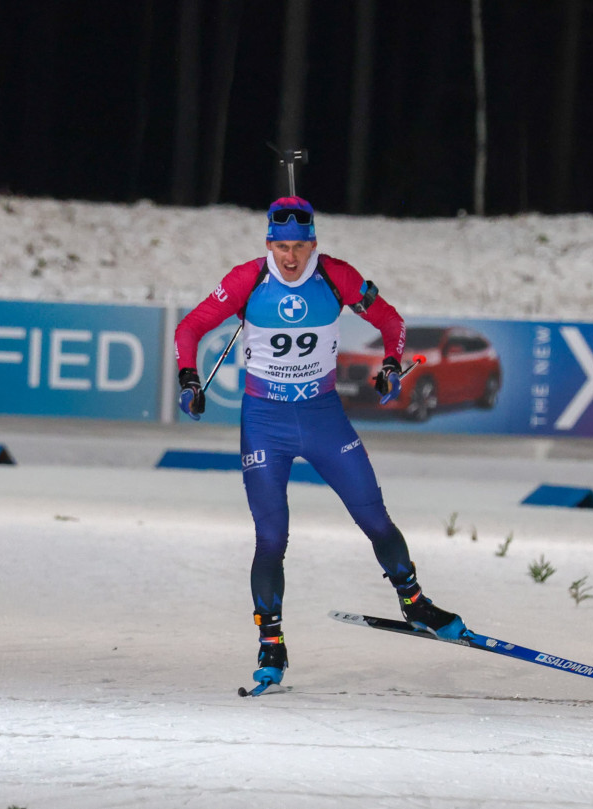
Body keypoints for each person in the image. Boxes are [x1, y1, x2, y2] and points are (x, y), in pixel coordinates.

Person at [173, 197, 466, 690]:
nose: (291, 258)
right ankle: (271, 644)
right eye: (282, 247)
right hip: (265, 421)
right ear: (269, 244)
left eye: (300, 247)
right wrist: (188, 378)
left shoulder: (336, 276)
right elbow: (191, 327)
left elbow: (391, 323)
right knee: (271, 539)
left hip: (323, 416)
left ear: (313, 244)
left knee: (375, 518)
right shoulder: (247, 279)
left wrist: (391, 365)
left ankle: (416, 604)